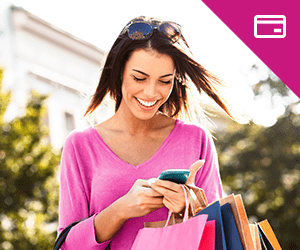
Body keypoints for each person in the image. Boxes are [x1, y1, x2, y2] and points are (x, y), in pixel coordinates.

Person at [57, 16, 240, 250]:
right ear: (119, 71)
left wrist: (190, 205)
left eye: (165, 81)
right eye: (139, 78)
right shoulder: (81, 145)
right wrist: (121, 210)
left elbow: (219, 238)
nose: (151, 92)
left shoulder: (196, 139)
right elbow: (67, 246)